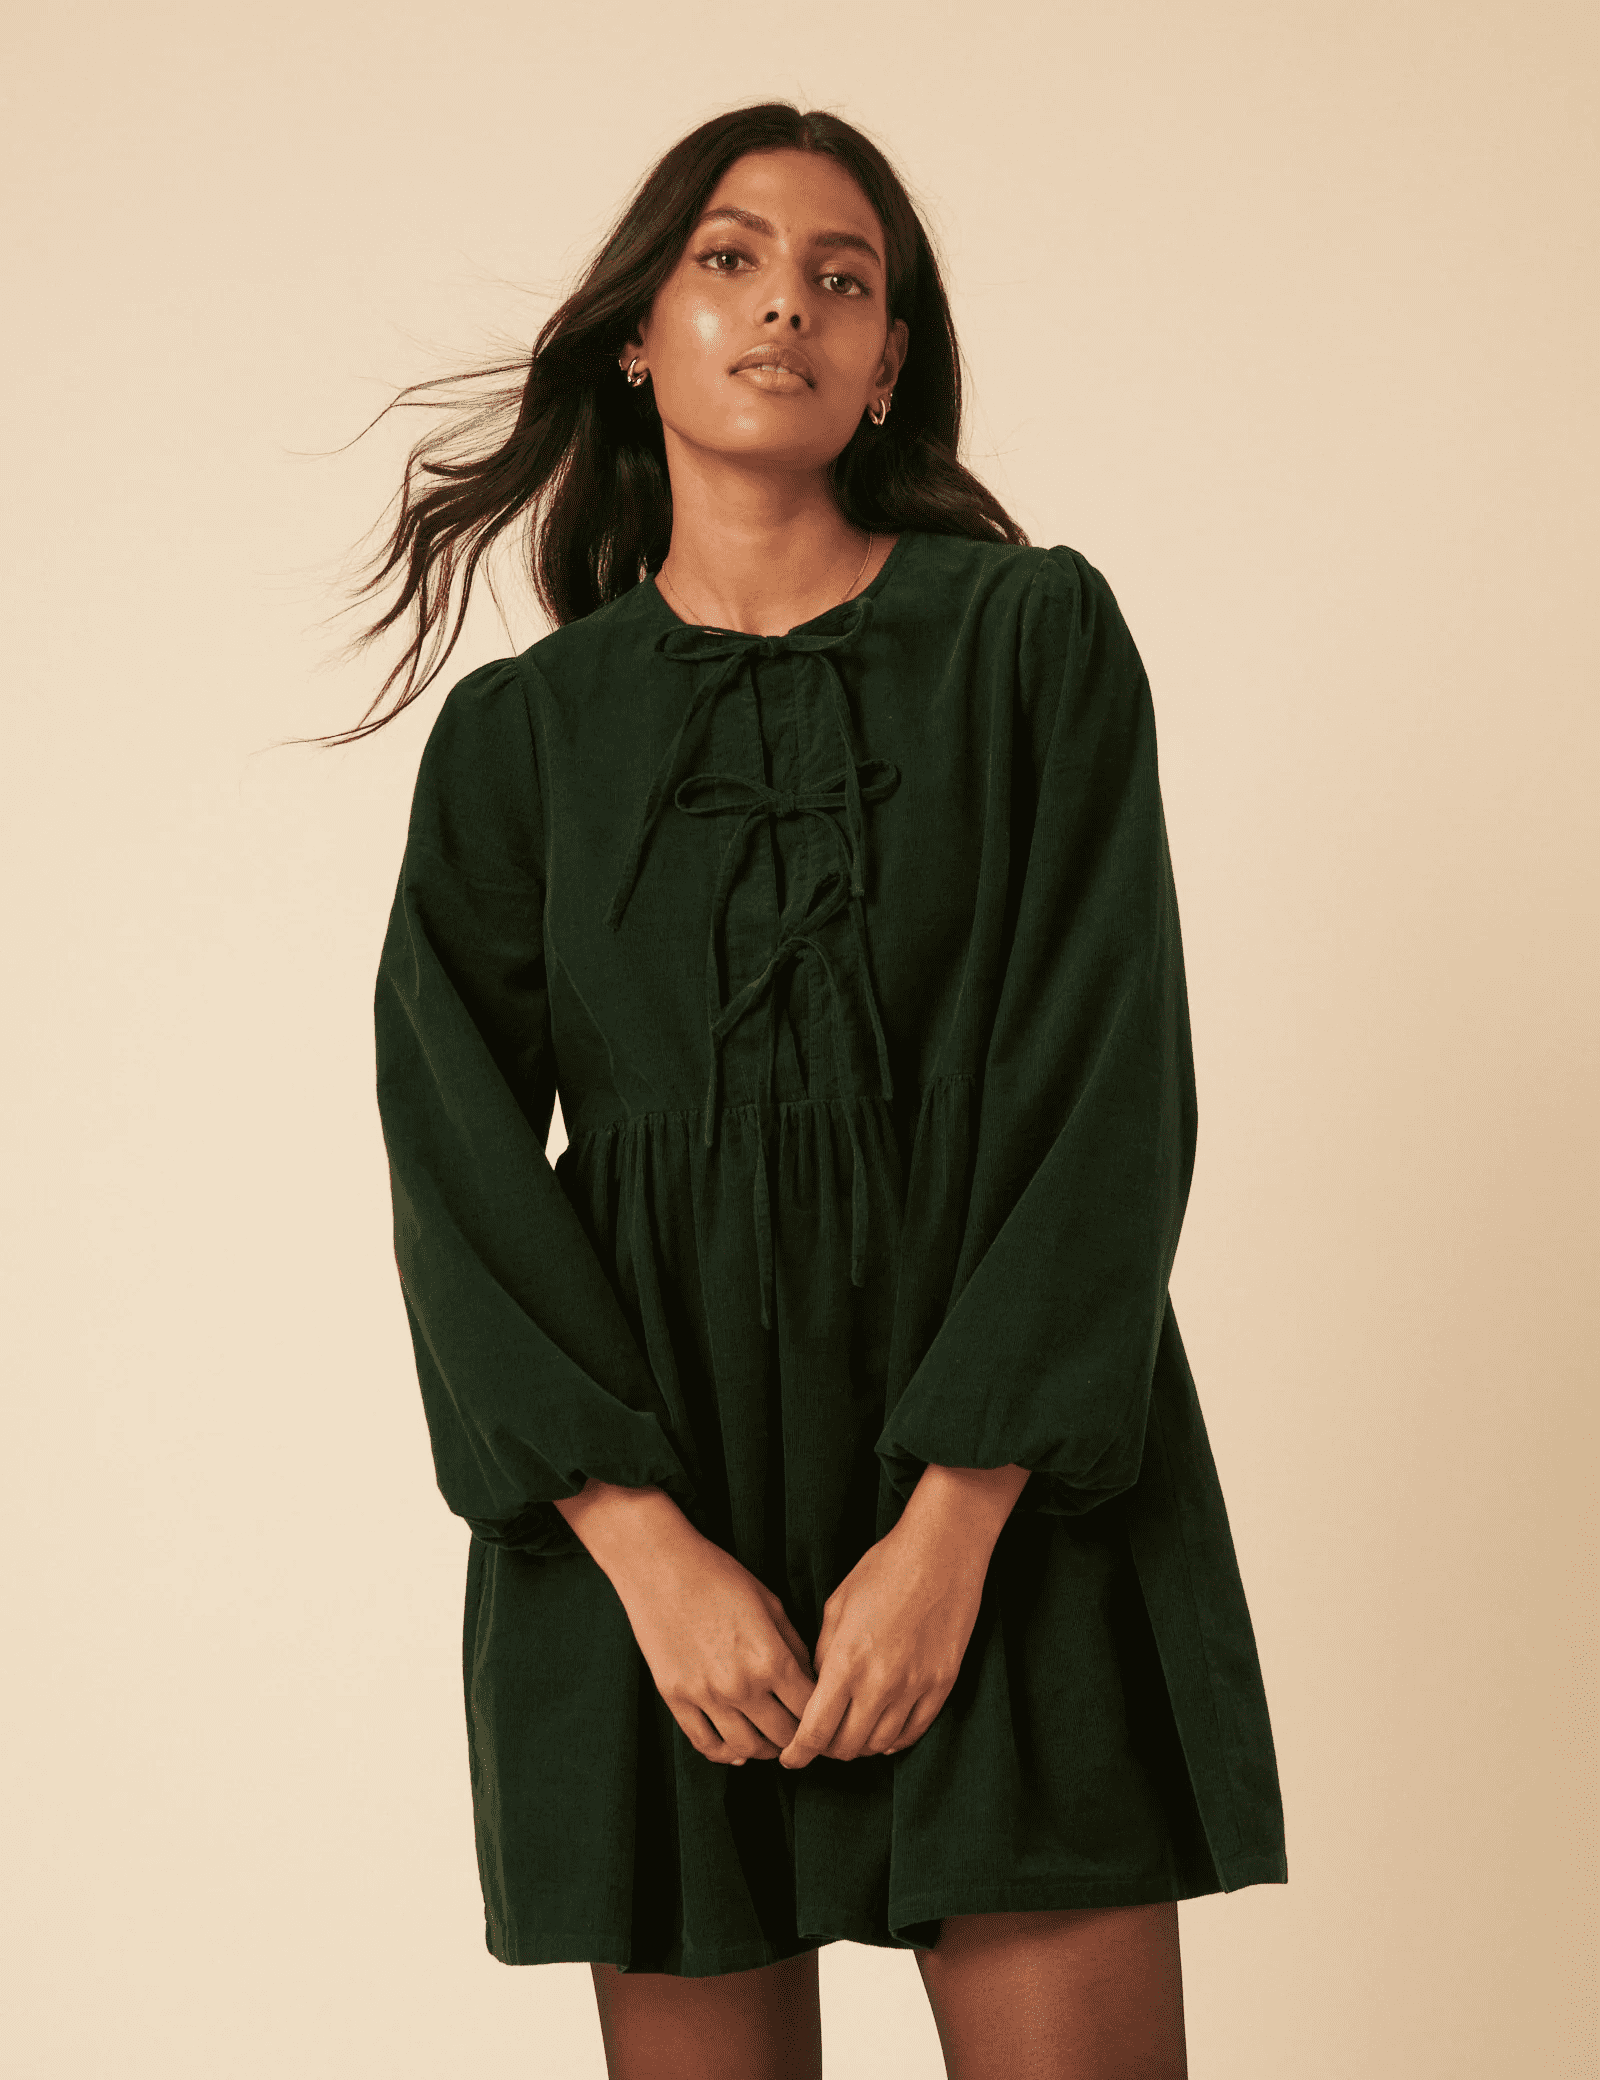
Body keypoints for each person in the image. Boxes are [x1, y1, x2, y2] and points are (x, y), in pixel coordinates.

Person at [335, 100, 1286, 2080]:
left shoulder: (1033, 641)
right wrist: (641, 1545)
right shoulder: (519, 741)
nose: (788, 304)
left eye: (842, 279)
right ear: (636, 335)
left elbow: (1106, 1089)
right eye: (731, 260)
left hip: (1015, 1510)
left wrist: (954, 1525)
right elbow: (454, 1162)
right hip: (658, 1528)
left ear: (887, 360)